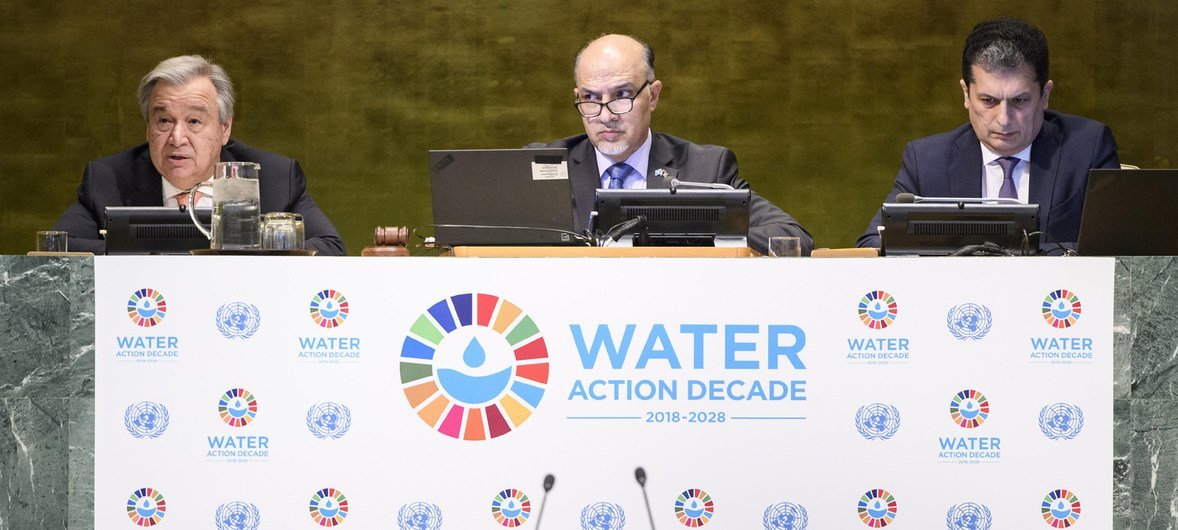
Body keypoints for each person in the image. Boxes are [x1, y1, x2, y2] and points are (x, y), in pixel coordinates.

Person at [531, 34, 813, 255]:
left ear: (652, 96)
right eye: (590, 98)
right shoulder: (542, 168)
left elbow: (791, 236)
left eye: (622, 95)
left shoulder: (704, 169)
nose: (605, 115)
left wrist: (689, 235)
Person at [855, 17, 1118, 251]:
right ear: (966, 95)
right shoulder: (927, 162)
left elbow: (1119, 247)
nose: (1003, 119)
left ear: (1045, 95)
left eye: (1020, 101)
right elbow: (873, 244)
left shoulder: (1088, 148)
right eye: (989, 101)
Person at [54, 55, 345, 255]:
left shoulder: (272, 178)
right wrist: (163, 253)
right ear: (148, 128)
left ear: (224, 128)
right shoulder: (108, 179)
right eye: (164, 121)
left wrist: (242, 249)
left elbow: (331, 248)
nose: (177, 138)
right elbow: (56, 250)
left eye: (194, 121)